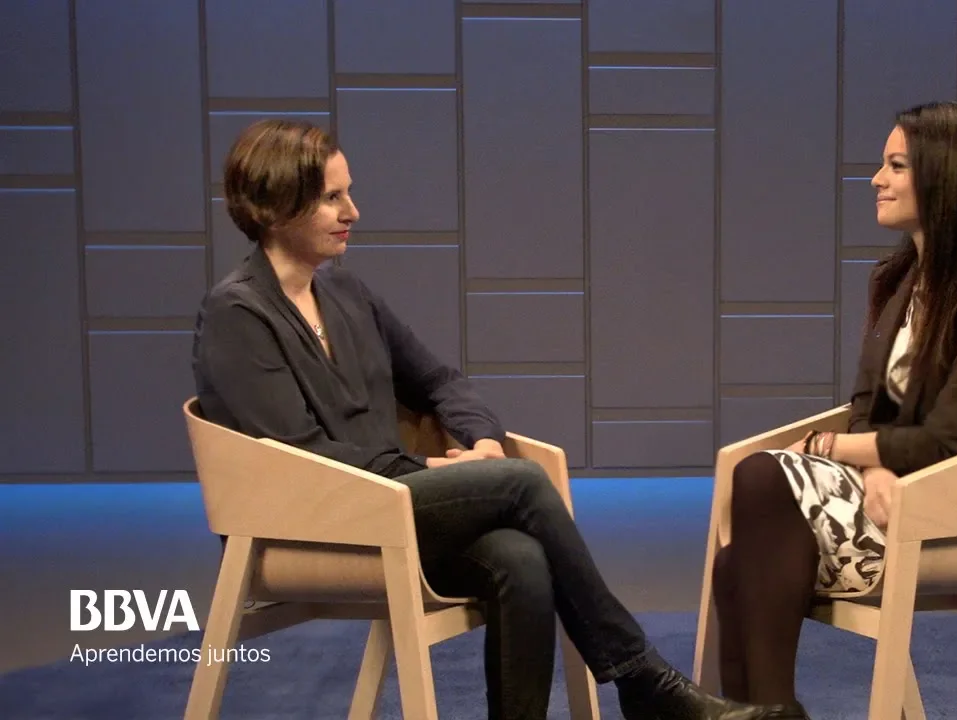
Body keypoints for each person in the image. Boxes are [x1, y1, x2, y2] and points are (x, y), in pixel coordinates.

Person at [192, 119, 800, 720]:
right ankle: (644, 681)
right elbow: (301, 453)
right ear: (276, 206)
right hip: (305, 524)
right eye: (332, 198)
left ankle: (633, 688)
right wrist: (431, 469)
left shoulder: (345, 292)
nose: (353, 211)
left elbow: (438, 381)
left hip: (390, 504)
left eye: (348, 193)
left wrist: (482, 441)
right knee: (521, 481)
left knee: (520, 558)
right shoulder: (237, 313)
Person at [710, 101, 957, 717]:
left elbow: (950, 440)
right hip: (897, 495)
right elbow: (869, 410)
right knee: (735, 560)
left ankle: (771, 713)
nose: (876, 179)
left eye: (897, 165)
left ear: (949, 177)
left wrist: (830, 449)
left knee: (762, 477)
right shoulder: (901, 280)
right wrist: (875, 465)